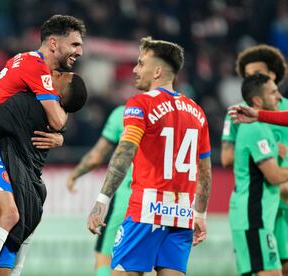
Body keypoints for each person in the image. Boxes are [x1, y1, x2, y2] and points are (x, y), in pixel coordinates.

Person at [0, 14, 86, 276]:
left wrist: (60, 136)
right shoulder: (36, 67)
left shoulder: (31, 66)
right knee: (10, 214)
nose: (80, 52)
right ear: (54, 44)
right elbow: (57, 119)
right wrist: (60, 133)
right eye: (75, 45)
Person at [87, 37, 211, 276]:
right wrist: (200, 215)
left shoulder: (140, 103)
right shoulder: (197, 111)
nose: (135, 70)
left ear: (157, 70)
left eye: (141, 63)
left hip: (146, 210)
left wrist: (102, 200)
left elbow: (124, 152)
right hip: (182, 213)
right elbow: (204, 170)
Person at [223, 45, 288, 275]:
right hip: (257, 211)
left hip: (268, 211)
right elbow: (273, 174)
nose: (278, 96)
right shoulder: (245, 121)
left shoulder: (260, 121)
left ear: (273, 75)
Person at [66, 105, 132, 276]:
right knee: (150, 264)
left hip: (127, 197)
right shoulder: (183, 113)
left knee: (105, 258)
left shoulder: (125, 113)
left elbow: (96, 156)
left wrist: (74, 174)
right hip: (162, 201)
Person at [221, 44, 287, 167]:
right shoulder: (238, 112)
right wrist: (268, 153)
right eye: (247, 75)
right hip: (251, 185)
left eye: (257, 73)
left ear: (272, 75)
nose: (251, 79)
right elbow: (227, 160)